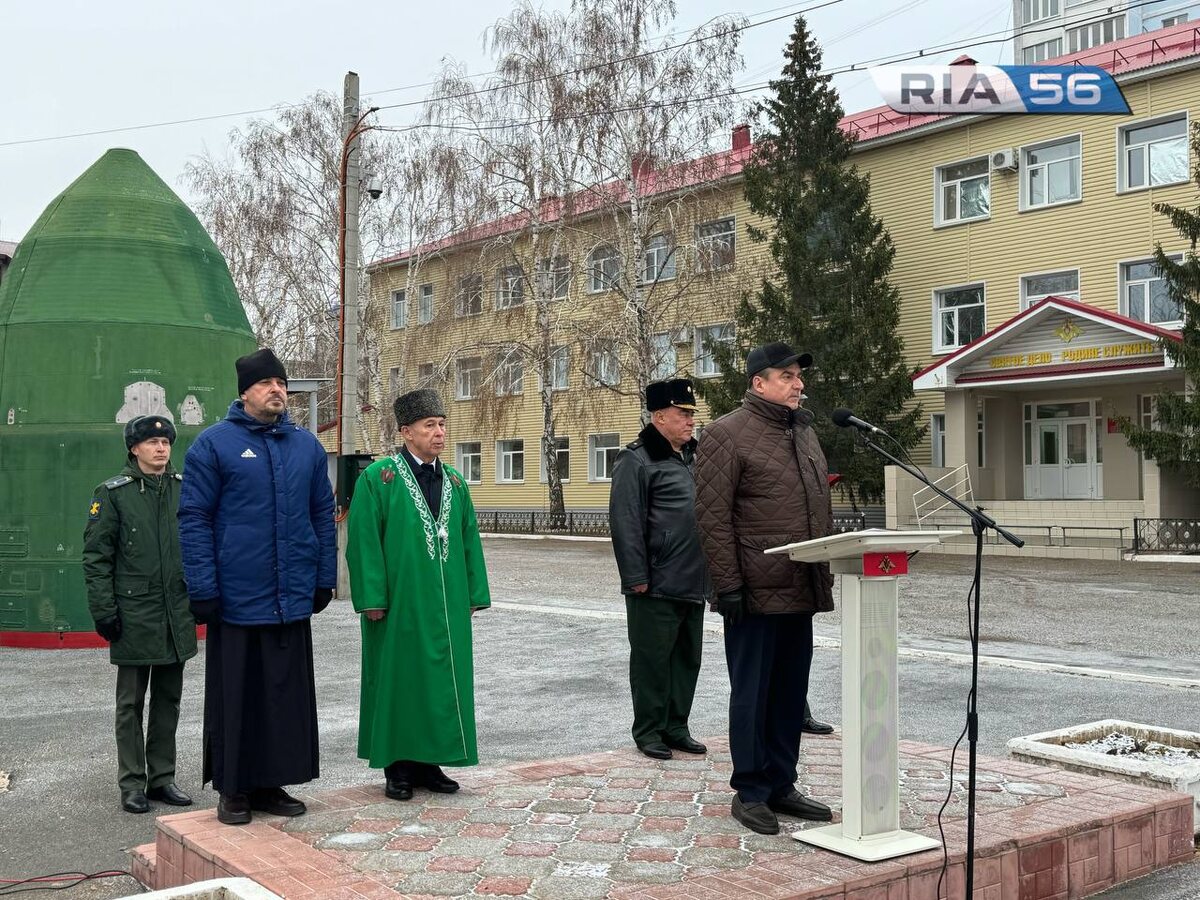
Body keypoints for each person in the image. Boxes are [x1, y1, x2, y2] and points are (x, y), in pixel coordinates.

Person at [178, 348, 336, 826]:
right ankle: (234, 789)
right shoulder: (213, 445)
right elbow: (194, 519)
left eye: (282, 383)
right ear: (244, 391)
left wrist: (323, 578)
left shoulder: (305, 446)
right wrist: (203, 587)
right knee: (238, 697)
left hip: (291, 597)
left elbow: (321, 517)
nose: (277, 391)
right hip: (237, 599)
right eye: (267, 383)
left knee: (283, 695)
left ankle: (273, 783)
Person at [694, 341, 836, 836]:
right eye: (788, 376)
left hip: (800, 581)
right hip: (753, 590)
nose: (799, 384)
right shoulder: (725, 434)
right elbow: (712, 518)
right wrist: (727, 584)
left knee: (790, 692)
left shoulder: (805, 432)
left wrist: (824, 568)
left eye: (799, 376)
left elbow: (816, 507)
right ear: (759, 383)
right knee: (753, 693)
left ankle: (782, 783)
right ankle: (751, 790)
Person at [346, 388, 491, 801]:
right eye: (430, 425)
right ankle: (398, 766)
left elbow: (468, 539)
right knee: (399, 679)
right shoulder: (380, 479)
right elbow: (364, 543)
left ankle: (431, 762)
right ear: (406, 431)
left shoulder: (456, 482)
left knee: (443, 680)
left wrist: (474, 592)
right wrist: (372, 597)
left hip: (446, 604)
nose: (440, 432)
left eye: (442, 424)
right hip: (399, 603)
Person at [83, 415, 196, 814]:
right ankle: (132, 783)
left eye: (165, 440)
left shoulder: (186, 490)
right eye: (151, 441)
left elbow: (199, 547)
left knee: (169, 700)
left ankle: (162, 778)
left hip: (174, 613)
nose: (161, 447)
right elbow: (97, 558)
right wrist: (104, 611)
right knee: (130, 704)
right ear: (134, 448)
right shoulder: (113, 494)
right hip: (133, 614)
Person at [609, 378, 710, 761]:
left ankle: (676, 726)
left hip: (693, 577)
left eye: (691, 415)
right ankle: (649, 730)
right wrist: (635, 577)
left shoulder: (696, 457)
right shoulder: (636, 459)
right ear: (659, 417)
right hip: (653, 582)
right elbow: (625, 521)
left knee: (687, 659)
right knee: (652, 661)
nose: (690, 422)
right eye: (682, 415)